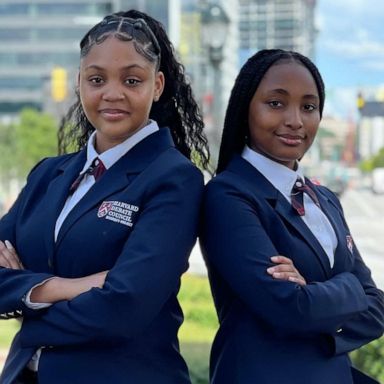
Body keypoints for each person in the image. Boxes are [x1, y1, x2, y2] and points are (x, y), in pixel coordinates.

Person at [0, 9, 209, 384]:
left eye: (132, 80)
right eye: (97, 79)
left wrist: (27, 304)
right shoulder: (49, 173)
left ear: (157, 86)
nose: (113, 94)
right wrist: (70, 287)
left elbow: (126, 305)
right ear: (80, 82)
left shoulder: (175, 179)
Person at [199, 49, 384, 384]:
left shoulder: (325, 199)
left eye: (308, 107)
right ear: (245, 110)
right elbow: (289, 307)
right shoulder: (227, 196)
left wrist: (315, 300)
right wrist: (349, 287)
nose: (296, 120)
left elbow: (378, 308)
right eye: (276, 103)